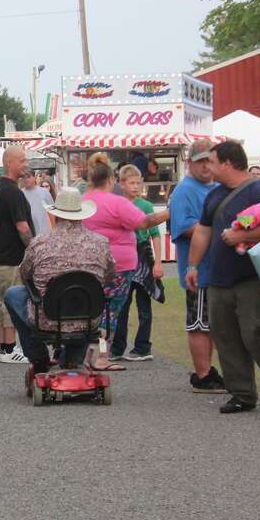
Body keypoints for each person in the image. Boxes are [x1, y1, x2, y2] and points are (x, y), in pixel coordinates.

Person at [184, 141, 260, 414]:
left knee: (257, 334)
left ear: (227, 163)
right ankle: (242, 394)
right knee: (225, 337)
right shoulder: (214, 195)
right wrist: (192, 266)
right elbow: (203, 230)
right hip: (218, 278)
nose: (208, 167)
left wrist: (243, 237)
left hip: (251, 276)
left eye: (212, 162)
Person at [4, 188, 115, 373]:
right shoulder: (101, 243)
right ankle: (72, 360)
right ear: (81, 215)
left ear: (55, 215)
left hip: (47, 318)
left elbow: (25, 273)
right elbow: (109, 275)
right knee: (80, 300)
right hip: (88, 318)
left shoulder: (40, 243)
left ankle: (38, 356)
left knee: (13, 294)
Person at [81, 153, 169, 372]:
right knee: (110, 313)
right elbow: (143, 222)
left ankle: (85, 353)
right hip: (118, 266)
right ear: (111, 180)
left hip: (88, 263)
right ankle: (102, 356)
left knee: (92, 309)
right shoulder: (116, 202)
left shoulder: (82, 201)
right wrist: (170, 212)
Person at [168, 140, 227, 393]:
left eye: (209, 160)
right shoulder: (185, 190)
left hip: (214, 268)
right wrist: (220, 229)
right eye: (200, 160)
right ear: (189, 162)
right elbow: (185, 228)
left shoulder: (215, 187)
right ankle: (202, 374)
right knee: (199, 324)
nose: (205, 166)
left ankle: (207, 370)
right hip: (198, 270)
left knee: (210, 323)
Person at [110, 164, 164, 363]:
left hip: (143, 253)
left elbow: (155, 235)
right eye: (131, 183)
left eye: (138, 183)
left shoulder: (146, 206)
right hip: (124, 255)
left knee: (144, 303)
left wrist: (158, 262)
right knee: (121, 304)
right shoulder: (117, 204)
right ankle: (117, 347)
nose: (135, 186)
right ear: (122, 184)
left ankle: (143, 347)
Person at [0, 146, 34, 364]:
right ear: (10, 163)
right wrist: (35, 248)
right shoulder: (12, 192)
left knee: (2, 301)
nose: (26, 164)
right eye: (22, 160)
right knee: (12, 302)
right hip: (12, 256)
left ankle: (4, 347)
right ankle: (9, 349)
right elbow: (22, 227)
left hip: (0, 255)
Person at [21, 170, 54, 237]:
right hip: (28, 233)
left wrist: (54, 229)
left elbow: (52, 212)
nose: (26, 179)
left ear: (35, 177)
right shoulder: (20, 193)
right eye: (23, 177)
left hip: (44, 232)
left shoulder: (44, 192)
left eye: (28, 177)